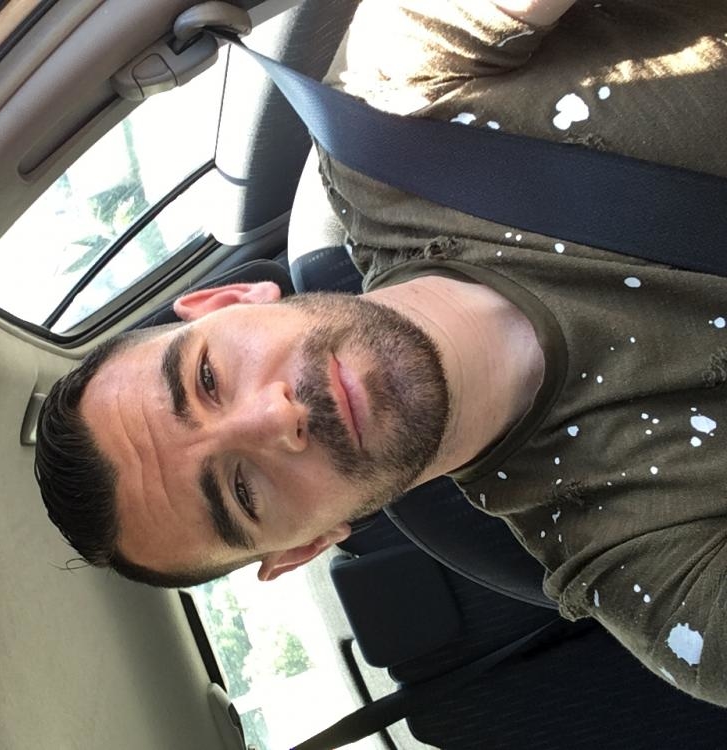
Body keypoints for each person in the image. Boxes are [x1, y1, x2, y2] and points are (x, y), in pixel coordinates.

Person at [35, 0, 727, 707]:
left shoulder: (398, 102)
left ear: (228, 300)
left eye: (208, 378)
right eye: (242, 491)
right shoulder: (650, 573)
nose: (276, 417)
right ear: (306, 546)